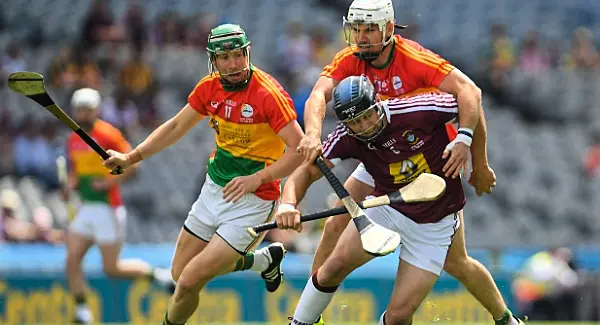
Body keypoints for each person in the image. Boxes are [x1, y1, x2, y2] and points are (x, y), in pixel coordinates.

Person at [295, 1, 513, 324]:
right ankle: (313, 314)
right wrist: (312, 134)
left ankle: (505, 318)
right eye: (357, 29)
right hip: (378, 157)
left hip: (426, 162)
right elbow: (317, 95)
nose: (362, 37)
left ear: (387, 28)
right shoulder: (350, 60)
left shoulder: (414, 59)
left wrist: (477, 161)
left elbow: (470, 93)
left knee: (458, 263)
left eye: (369, 29)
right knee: (335, 223)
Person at [276, 76, 523, 325]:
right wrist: (288, 204)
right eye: (355, 122)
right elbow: (307, 172)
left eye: (367, 116)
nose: (364, 126)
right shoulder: (348, 136)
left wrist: (465, 140)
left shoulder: (419, 110)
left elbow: (471, 98)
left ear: (378, 103)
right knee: (333, 267)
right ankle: (302, 321)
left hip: (434, 225)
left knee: (398, 317)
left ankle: (505, 319)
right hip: (387, 208)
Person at [102, 24, 305, 325]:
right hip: (214, 191)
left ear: (247, 53)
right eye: (224, 58)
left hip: (254, 201)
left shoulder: (268, 94)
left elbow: (299, 149)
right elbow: (175, 127)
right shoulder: (209, 88)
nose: (233, 64)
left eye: (238, 55)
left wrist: (258, 179)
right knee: (178, 272)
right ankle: (263, 260)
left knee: (188, 282)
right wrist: (131, 157)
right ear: (213, 60)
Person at [63, 88, 173, 324]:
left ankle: (156, 275)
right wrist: (70, 186)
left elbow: (133, 166)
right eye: (79, 109)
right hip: (85, 208)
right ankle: (82, 311)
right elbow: (75, 173)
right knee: (72, 259)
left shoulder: (108, 135)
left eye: (88, 109)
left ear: (96, 110)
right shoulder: (73, 139)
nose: (83, 113)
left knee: (112, 269)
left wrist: (108, 182)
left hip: (107, 208)